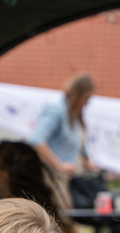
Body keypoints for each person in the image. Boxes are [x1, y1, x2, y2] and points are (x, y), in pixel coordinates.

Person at [27, 72, 97, 204]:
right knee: (60, 218)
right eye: (86, 98)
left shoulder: (74, 112)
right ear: (78, 94)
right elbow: (37, 139)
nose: (87, 104)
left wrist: (87, 160)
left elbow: (78, 140)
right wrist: (59, 165)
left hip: (71, 179)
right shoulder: (56, 109)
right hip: (53, 179)